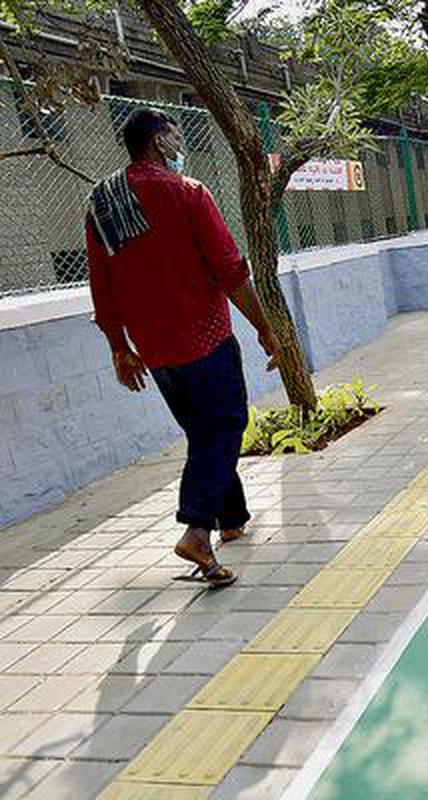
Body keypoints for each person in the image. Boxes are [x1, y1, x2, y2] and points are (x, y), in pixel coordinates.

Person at [84, 108, 280, 588]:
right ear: (156, 141)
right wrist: (265, 326)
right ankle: (197, 529)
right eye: (172, 134)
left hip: (153, 349)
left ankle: (231, 518)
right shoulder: (188, 192)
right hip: (204, 337)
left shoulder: (102, 203)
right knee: (227, 425)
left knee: (204, 432)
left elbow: (101, 284)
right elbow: (230, 270)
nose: (178, 141)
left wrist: (118, 347)